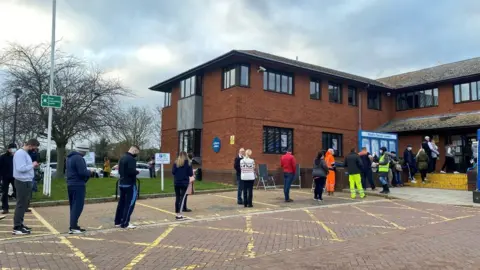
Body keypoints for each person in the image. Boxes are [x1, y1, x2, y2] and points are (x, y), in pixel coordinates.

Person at [12, 139, 40, 235]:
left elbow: (25, 166)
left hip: (26, 181)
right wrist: (32, 165)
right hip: (22, 181)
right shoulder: (20, 154)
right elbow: (20, 168)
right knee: (21, 204)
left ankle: (20, 223)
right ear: (31, 145)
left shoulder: (25, 153)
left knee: (23, 204)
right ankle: (17, 227)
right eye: (34, 147)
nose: (34, 150)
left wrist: (32, 166)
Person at [66, 142, 94, 234]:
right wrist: (90, 172)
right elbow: (82, 172)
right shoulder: (79, 158)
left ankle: (73, 225)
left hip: (70, 183)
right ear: (83, 151)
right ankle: (73, 227)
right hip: (78, 184)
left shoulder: (69, 157)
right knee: (78, 206)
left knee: (73, 205)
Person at [114, 145, 140, 228]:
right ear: (134, 151)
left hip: (122, 183)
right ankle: (125, 223)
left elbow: (120, 170)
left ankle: (117, 221)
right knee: (129, 204)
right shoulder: (131, 159)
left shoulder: (122, 158)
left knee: (121, 203)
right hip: (130, 184)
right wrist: (136, 172)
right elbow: (131, 171)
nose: (136, 155)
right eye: (137, 153)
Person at [171, 151, 193, 220]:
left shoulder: (176, 162)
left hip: (176, 182)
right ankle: (179, 215)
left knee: (177, 198)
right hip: (184, 183)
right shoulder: (188, 163)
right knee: (182, 198)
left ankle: (178, 213)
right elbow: (190, 174)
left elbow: (173, 172)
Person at [1, 144, 17, 214]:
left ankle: (21, 207)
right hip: (5, 177)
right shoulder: (3, 157)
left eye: (15, 149)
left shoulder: (16, 157)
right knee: (5, 192)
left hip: (14, 176)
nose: (14, 150)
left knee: (17, 191)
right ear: (8, 149)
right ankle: (5, 208)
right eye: (12, 148)